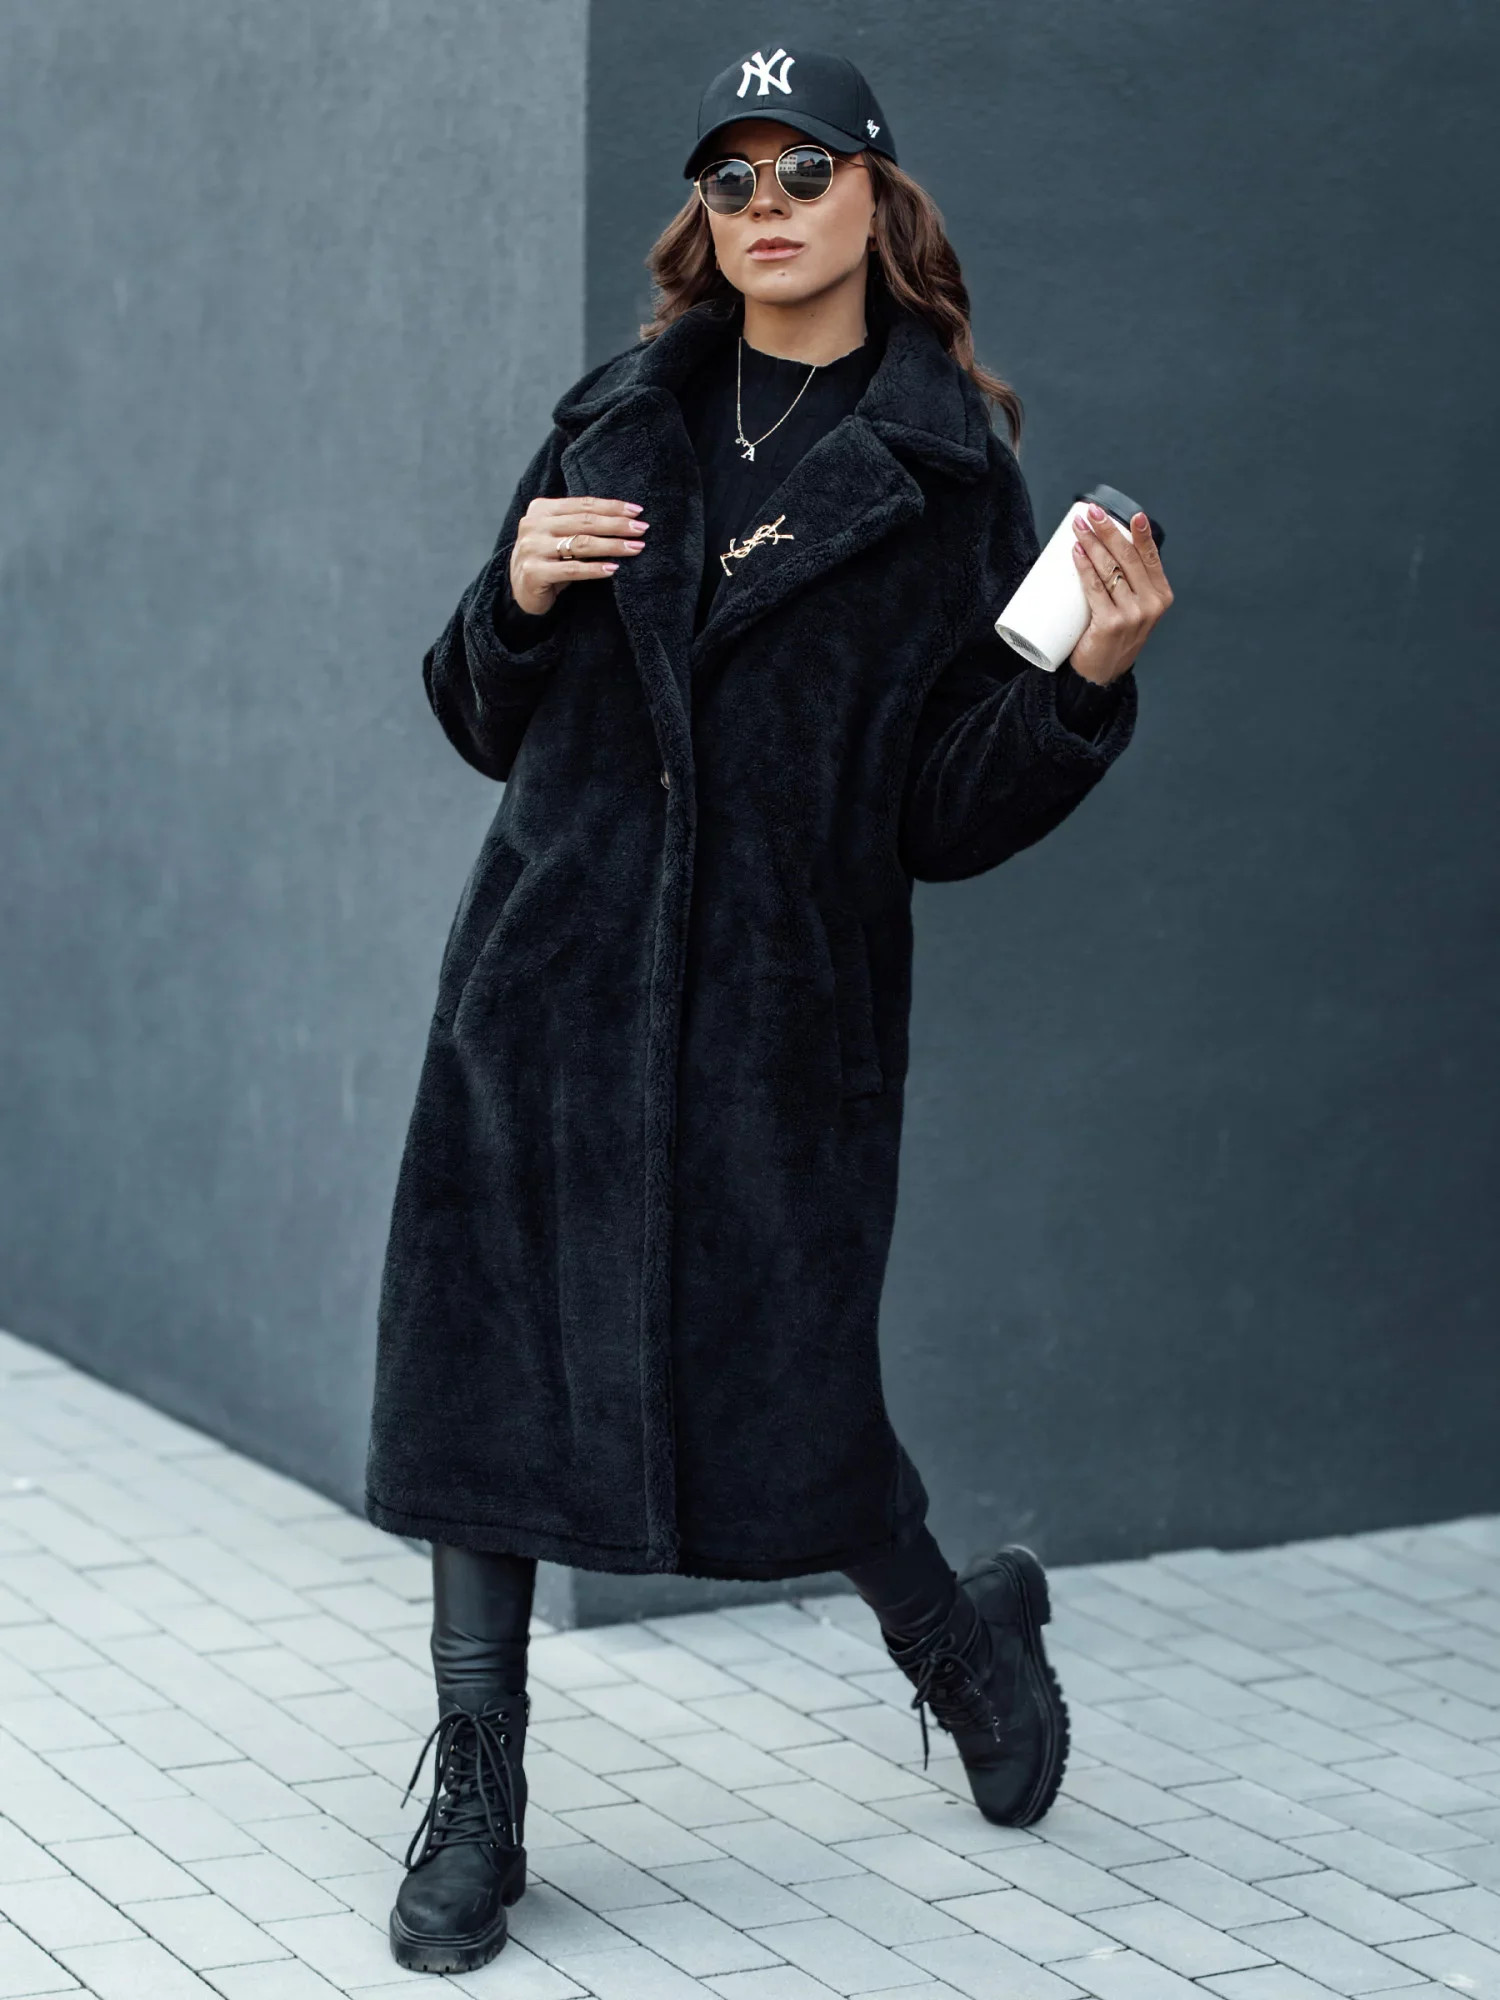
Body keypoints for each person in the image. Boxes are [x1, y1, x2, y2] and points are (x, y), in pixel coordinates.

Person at [368, 45, 1174, 1974]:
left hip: (774, 1017)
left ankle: (966, 1650)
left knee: (791, 1398)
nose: (767, 206)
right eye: (731, 179)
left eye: (805, 168)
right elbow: (476, 715)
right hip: (544, 991)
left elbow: (940, 814)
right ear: (705, 219)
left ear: (877, 197)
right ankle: (480, 1787)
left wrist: (1084, 685)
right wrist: (515, 593)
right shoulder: (613, 419)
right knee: (485, 1376)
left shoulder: (951, 475)